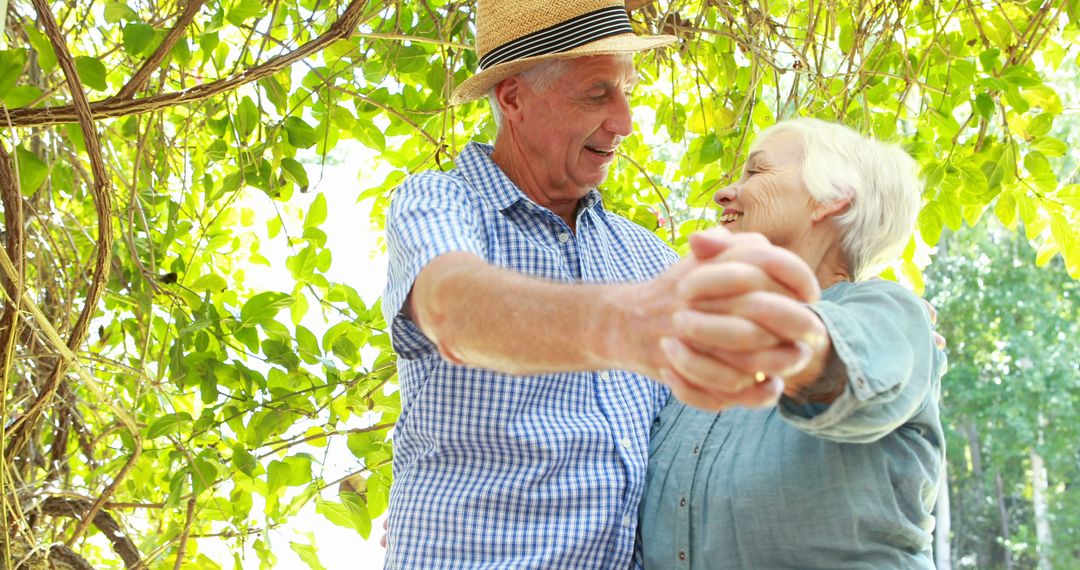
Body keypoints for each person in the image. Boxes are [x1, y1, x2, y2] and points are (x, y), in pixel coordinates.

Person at [380, 1, 829, 567]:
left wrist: (854, 319)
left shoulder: (645, 256)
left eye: (626, 91)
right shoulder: (439, 202)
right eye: (596, 94)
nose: (624, 121)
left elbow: (722, 420)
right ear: (513, 98)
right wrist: (626, 324)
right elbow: (454, 311)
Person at [639, 118, 947, 569]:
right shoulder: (699, 362)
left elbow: (840, 371)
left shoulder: (891, 312)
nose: (725, 194)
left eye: (757, 172)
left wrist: (779, 331)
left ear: (829, 200)